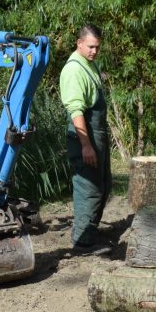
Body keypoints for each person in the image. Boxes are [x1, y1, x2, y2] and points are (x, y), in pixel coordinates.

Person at [60, 24, 112, 253]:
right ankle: (82, 242)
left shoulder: (89, 64)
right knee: (88, 187)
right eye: (90, 47)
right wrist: (86, 146)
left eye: (97, 47)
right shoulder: (74, 70)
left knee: (103, 184)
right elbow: (76, 111)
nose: (94, 51)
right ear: (79, 43)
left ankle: (91, 232)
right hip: (85, 137)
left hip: (96, 135)